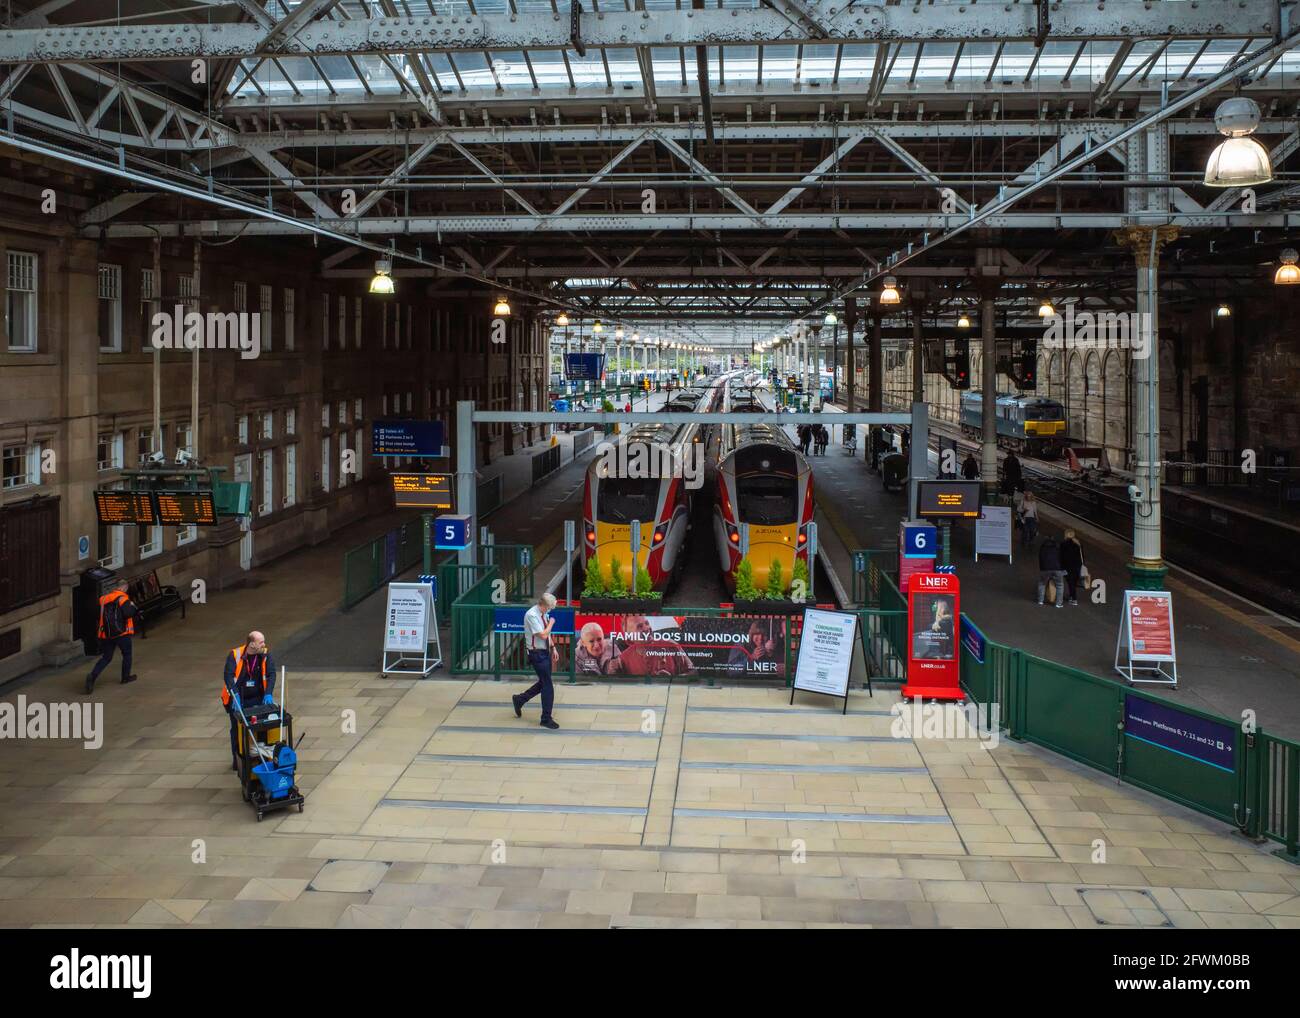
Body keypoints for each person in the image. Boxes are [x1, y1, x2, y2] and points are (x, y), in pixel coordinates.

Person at [221, 631, 277, 771]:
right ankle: (238, 759)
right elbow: (228, 676)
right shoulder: (235, 655)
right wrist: (235, 695)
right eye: (261, 642)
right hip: (239, 699)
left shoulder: (265, 654)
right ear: (251, 644)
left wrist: (268, 693)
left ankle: (261, 757)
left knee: (262, 726)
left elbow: (271, 674)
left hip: (258, 697)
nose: (264, 644)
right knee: (237, 729)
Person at [513, 592, 560, 729]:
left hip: (544, 651)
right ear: (543, 605)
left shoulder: (543, 613)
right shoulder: (531, 615)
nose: (550, 610)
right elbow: (544, 634)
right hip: (536, 653)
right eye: (549, 607)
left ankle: (520, 699)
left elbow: (547, 635)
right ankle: (546, 718)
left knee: (544, 682)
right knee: (548, 685)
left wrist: (554, 647)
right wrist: (551, 623)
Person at [84, 581, 138, 694]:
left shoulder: (103, 599)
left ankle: (92, 676)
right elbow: (129, 613)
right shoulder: (123, 599)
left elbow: (95, 614)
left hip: (106, 634)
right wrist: (133, 606)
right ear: (124, 587)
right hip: (121, 633)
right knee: (127, 654)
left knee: (106, 657)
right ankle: (125, 677)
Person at [1037, 535, 1066, 607]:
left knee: (1042, 584)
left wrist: (1042, 568)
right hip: (1057, 569)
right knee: (1060, 585)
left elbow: (1040, 558)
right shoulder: (1057, 548)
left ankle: (1040, 601)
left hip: (1045, 569)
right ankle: (1058, 604)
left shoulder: (1042, 548)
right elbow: (1061, 559)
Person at [1060, 529, 1085, 606]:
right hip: (1077, 567)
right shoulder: (1078, 544)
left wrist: (1061, 566)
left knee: (1070, 583)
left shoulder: (1064, 544)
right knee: (1073, 583)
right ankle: (1071, 596)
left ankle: (1074, 599)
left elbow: (1061, 556)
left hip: (1068, 567)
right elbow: (1082, 556)